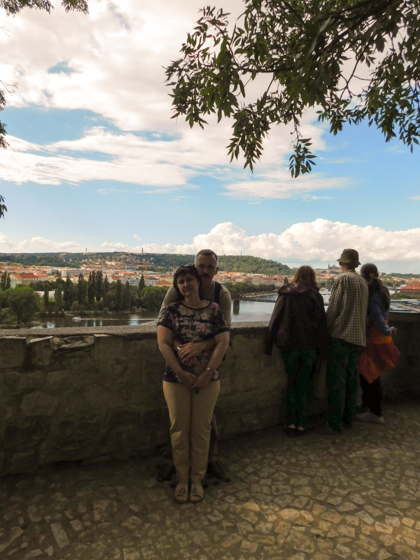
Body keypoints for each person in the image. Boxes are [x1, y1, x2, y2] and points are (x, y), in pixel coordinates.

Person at [157, 265, 230, 504]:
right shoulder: (171, 310)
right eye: (180, 282)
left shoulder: (214, 309)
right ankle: (182, 479)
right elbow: (163, 343)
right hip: (175, 379)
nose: (185, 285)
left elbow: (223, 342)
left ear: (198, 282)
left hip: (207, 378)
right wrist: (180, 373)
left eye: (189, 280)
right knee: (179, 430)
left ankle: (197, 479)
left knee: (201, 430)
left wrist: (208, 372)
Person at [265, 266, 329, 436]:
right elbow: (322, 325)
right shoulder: (315, 296)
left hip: (289, 346)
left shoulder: (285, 294)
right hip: (309, 347)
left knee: (292, 383)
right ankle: (302, 423)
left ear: (296, 276)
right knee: (304, 385)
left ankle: (291, 422)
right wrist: (324, 350)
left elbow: (275, 319)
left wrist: (268, 346)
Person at [326, 249, 369, 433]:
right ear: (356, 264)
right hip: (358, 337)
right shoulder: (362, 282)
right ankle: (348, 418)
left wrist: (325, 330)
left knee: (337, 381)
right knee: (352, 380)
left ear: (341, 264)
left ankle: (335, 423)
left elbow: (333, 308)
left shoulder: (342, 279)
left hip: (341, 336)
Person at [357, 263, 399, 424]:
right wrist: (388, 330)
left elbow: (376, 318)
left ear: (363, 276)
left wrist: (387, 330)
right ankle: (368, 407)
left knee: (369, 377)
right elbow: (383, 316)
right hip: (382, 340)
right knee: (372, 376)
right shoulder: (384, 290)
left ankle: (375, 413)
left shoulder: (372, 292)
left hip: (374, 340)